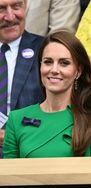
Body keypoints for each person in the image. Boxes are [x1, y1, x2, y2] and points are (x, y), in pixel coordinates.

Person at [3, 31, 91, 158]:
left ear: (78, 71)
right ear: (40, 66)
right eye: (48, 62)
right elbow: (9, 175)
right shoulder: (16, 119)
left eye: (64, 63)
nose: (54, 70)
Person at [0, 0, 44, 158]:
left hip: (31, 147)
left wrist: (14, 134)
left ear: (26, 6)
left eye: (16, 6)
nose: (10, 16)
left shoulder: (45, 50)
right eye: (1, 9)